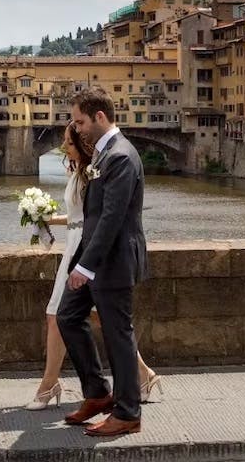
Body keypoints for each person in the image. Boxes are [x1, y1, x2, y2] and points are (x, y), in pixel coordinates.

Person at [26, 121, 162, 411]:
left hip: (86, 251)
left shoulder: (98, 169)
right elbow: (79, 215)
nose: (64, 147)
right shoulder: (78, 171)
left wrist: (86, 261)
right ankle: (137, 376)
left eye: (69, 142)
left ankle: (54, 385)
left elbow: (103, 217)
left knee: (66, 316)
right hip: (76, 246)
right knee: (77, 317)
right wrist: (47, 218)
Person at [56, 88, 149, 436]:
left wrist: (85, 266)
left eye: (80, 121)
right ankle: (97, 393)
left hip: (113, 261)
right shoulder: (104, 154)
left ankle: (128, 413)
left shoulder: (121, 156)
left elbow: (111, 218)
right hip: (96, 258)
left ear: (99, 117)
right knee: (67, 316)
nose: (76, 128)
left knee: (118, 335)